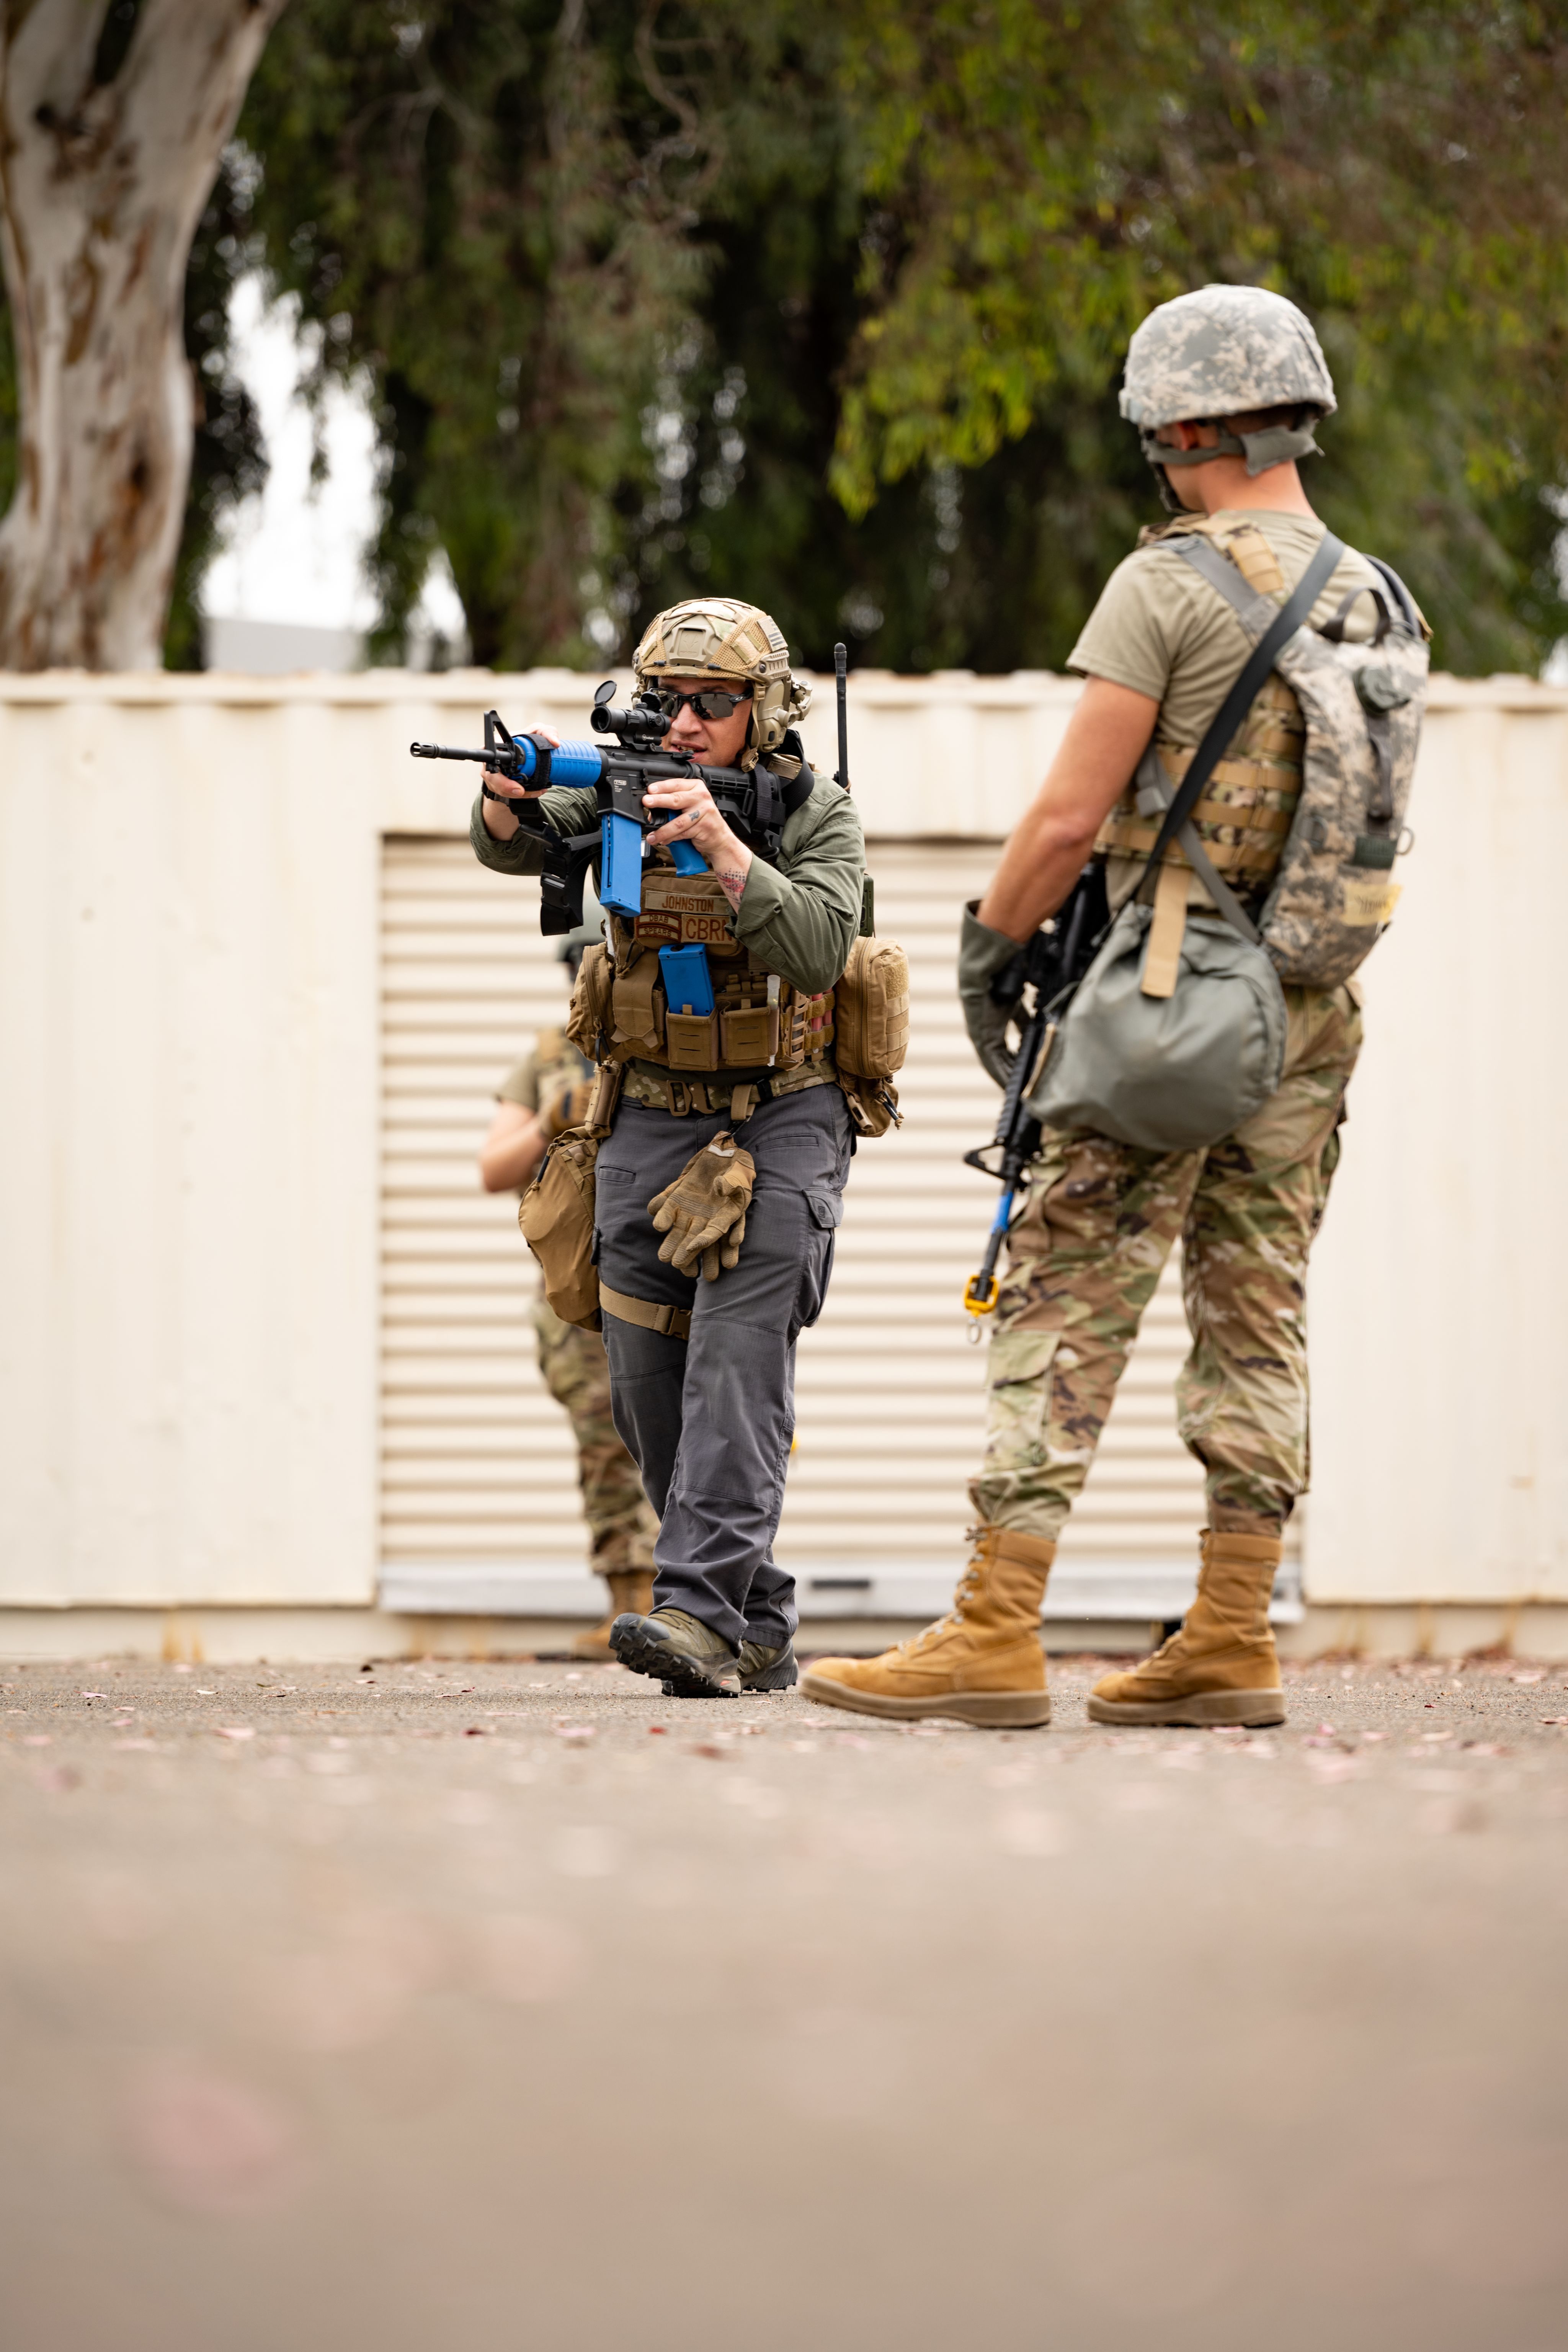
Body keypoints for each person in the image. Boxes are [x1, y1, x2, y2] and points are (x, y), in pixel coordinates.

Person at [802, 283, 1416, 1732]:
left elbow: (1069, 817)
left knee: (1066, 1290)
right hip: (1310, 1010)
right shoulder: (1378, 596)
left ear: (1183, 428)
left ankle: (993, 1632)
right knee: (1257, 1310)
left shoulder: (1169, 584)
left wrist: (986, 948)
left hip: (1164, 1001)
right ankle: (1230, 1634)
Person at [471, 598, 866, 1697]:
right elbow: (520, 838)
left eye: (710, 703)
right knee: (643, 1383)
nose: (682, 722)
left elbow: (822, 945)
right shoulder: (621, 784)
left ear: (764, 712)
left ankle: (694, 1612)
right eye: (665, 700)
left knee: (736, 1363)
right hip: (647, 1106)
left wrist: (724, 848)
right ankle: (756, 1618)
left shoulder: (812, 811)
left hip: (782, 1110)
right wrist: (504, 800)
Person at [478, 898, 659, 1660]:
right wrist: (551, 1117)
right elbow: (494, 1169)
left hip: (662, 1265)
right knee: (603, 1439)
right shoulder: (551, 1057)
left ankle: (703, 1598)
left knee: (692, 1430)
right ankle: (630, 1602)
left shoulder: (671, 1031)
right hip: (580, 1280)